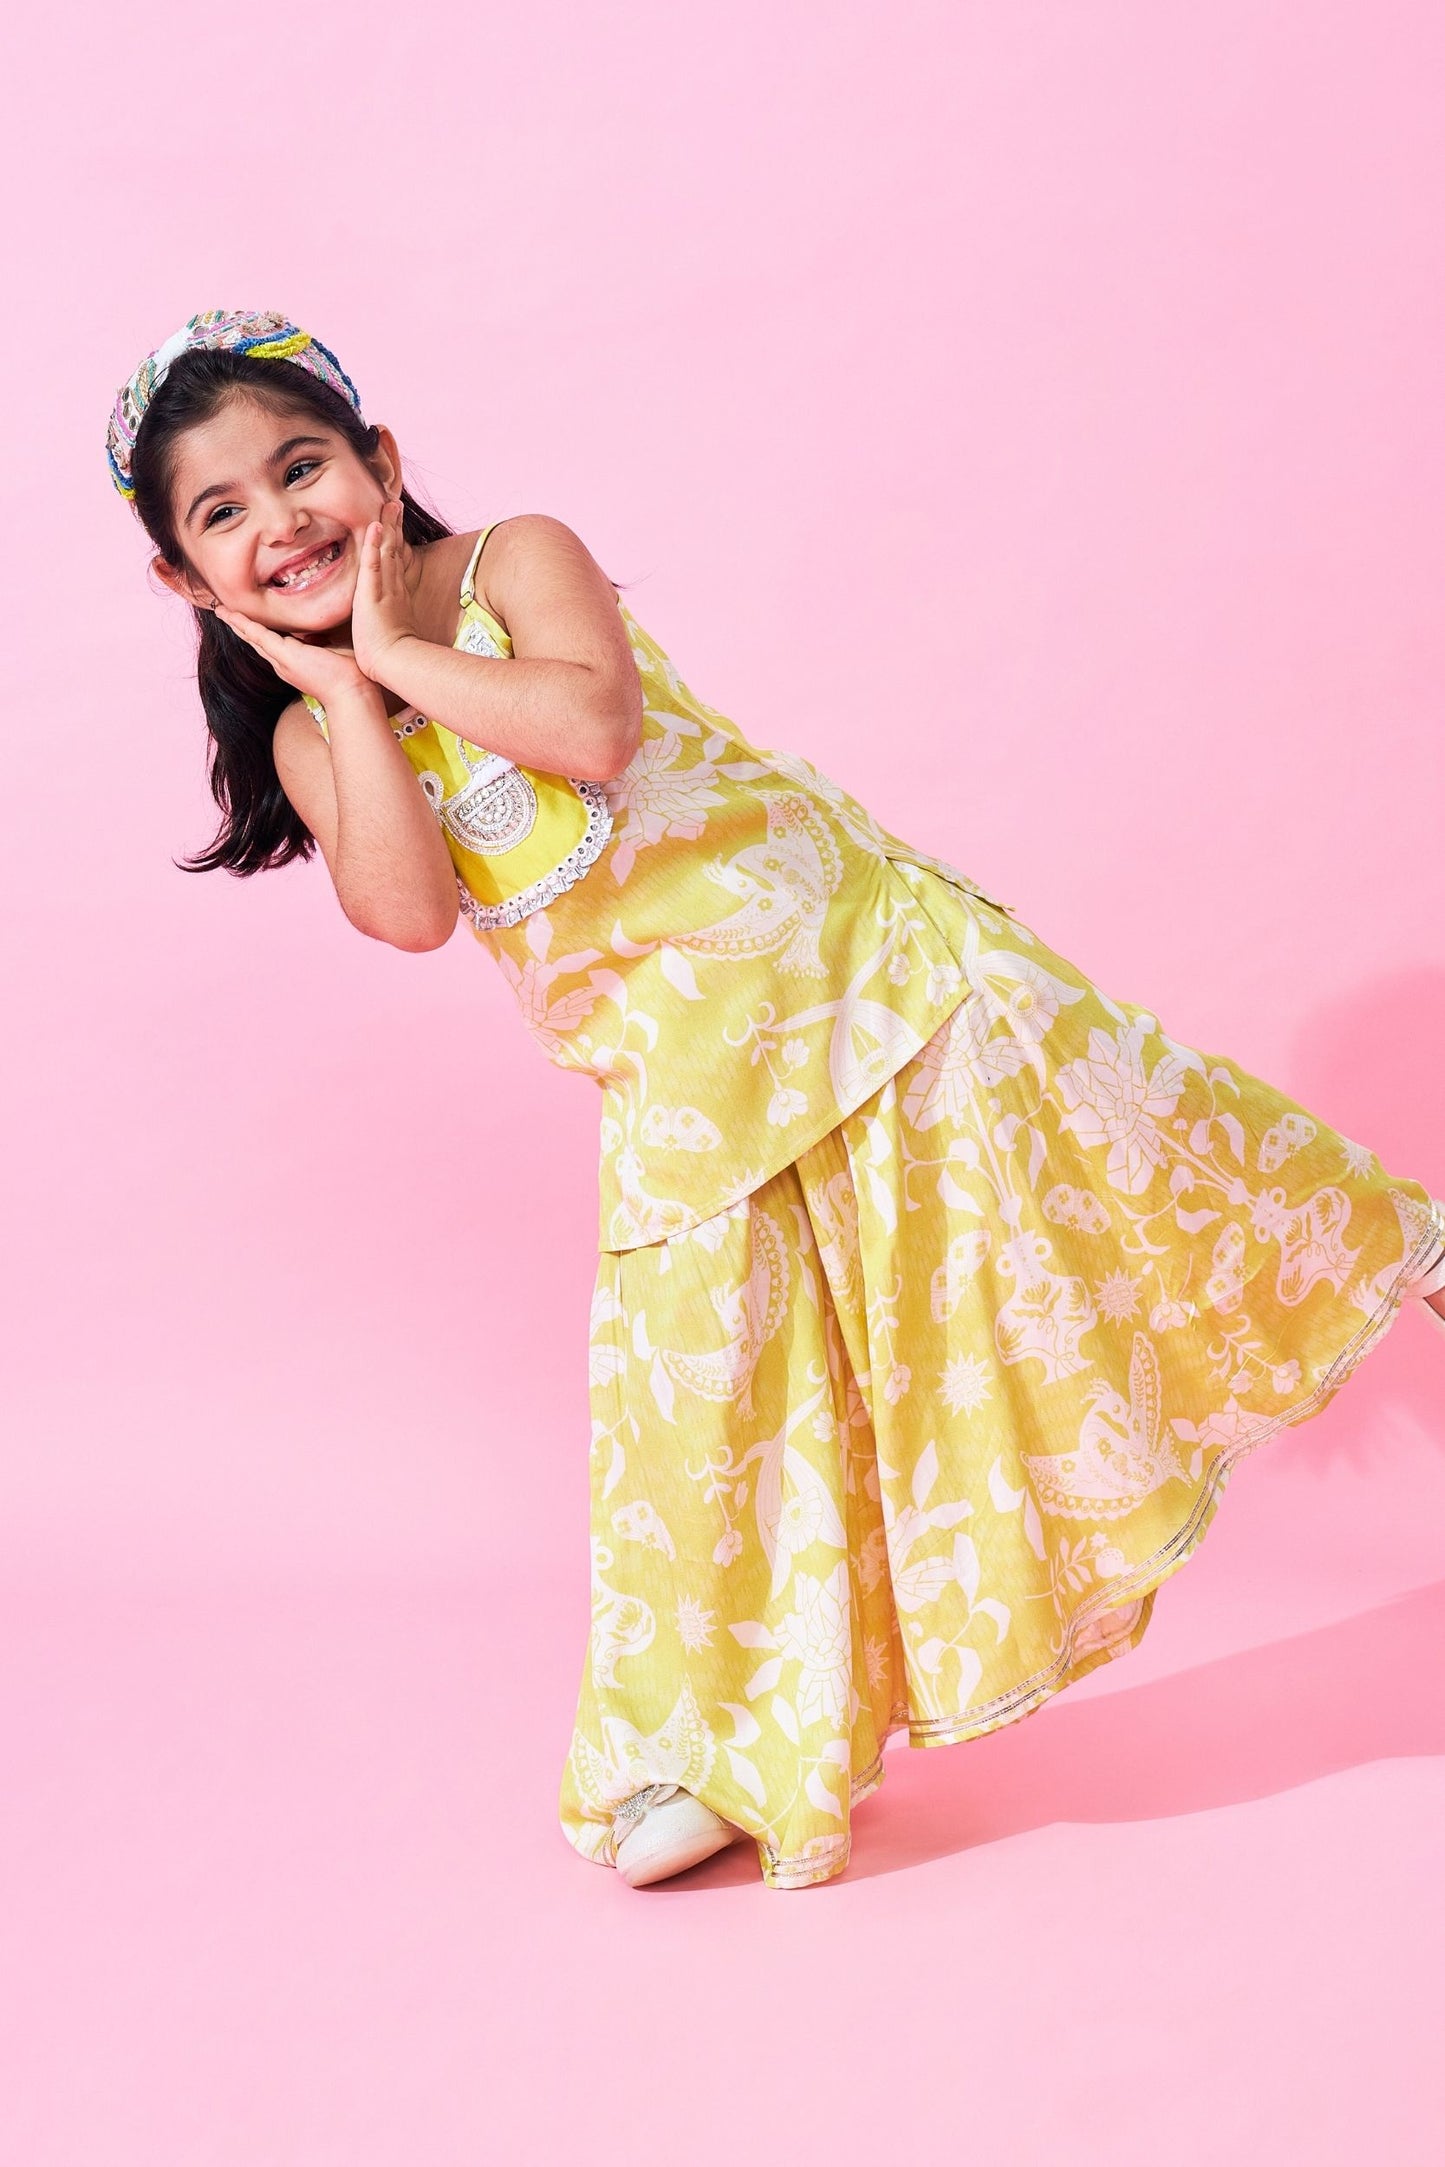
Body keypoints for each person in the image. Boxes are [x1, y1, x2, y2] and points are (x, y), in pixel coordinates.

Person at [107, 309, 1445, 1893]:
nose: (281, 521)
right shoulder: (311, 731)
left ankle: (1398, 1246)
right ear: (187, 581)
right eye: (224, 514)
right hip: (688, 1094)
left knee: (1139, 1155)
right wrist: (343, 695)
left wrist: (399, 651)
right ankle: (731, 1744)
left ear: (379, 463)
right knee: (711, 1413)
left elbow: (592, 730)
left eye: (302, 467)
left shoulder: (513, 563)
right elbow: (403, 912)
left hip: (869, 971)